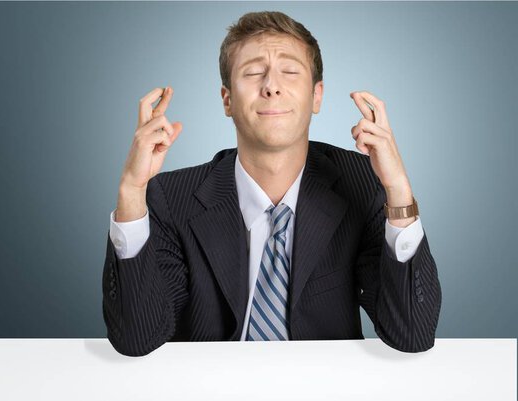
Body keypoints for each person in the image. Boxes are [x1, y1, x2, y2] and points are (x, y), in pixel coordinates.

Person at [102, 11, 442, 357]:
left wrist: (398, 189)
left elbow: (412, 334)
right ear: (227, 100)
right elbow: (136, 339)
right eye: (252, 73)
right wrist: (131, 191)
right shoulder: (171, 198)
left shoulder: (361, 186)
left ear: (317, 96)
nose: (271, 86)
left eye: (290, 71)